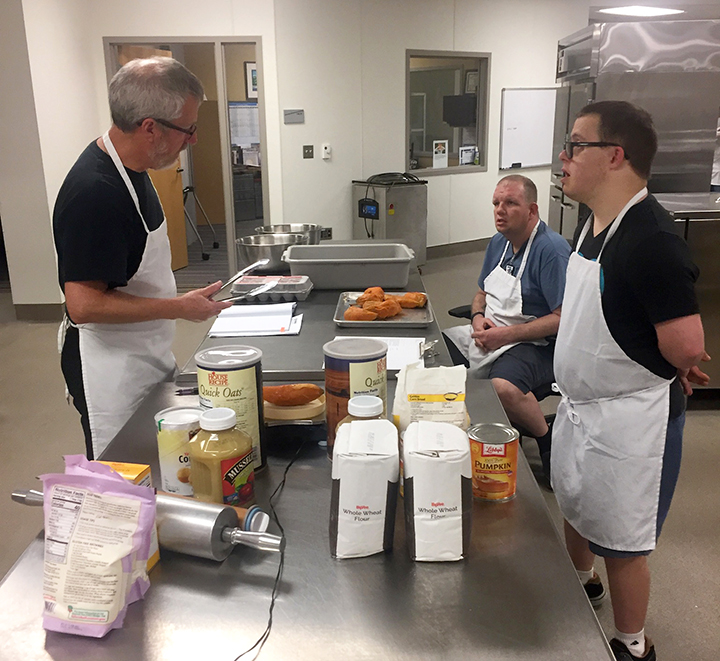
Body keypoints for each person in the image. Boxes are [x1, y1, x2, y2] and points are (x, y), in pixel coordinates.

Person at [554, 100, 710, 661]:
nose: (564, 158)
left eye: (576, 145)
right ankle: (581, 581)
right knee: (574, 501)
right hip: (582, 408)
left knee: (622, 538)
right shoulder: (592, 224)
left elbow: (686, 346)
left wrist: (674, 359)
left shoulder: (651, 240)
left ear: (614, 156)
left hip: (629, 419)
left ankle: (632, 644)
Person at [54, 57, 232, 460]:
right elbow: (84, 305)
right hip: (110, 369)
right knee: (125, 474)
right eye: (189, 129)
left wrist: (178, 302)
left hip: (144, 349)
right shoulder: (95, 194)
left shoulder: (135, 170)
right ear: (150, 127)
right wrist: (179, 307)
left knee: (162, 459)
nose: (194, 140)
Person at [444, 175, 571, 480]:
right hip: (490, 332)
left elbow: (563, 317)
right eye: (496, 203)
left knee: (503, 388)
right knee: (435, 359)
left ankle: (545, 438)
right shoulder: (499, 243)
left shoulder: (550, 251)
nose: (500, 210)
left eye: (510, 203)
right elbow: (481, 294)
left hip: (538, 343)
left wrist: (505, 335)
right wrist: (477, 318)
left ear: (532, 209)